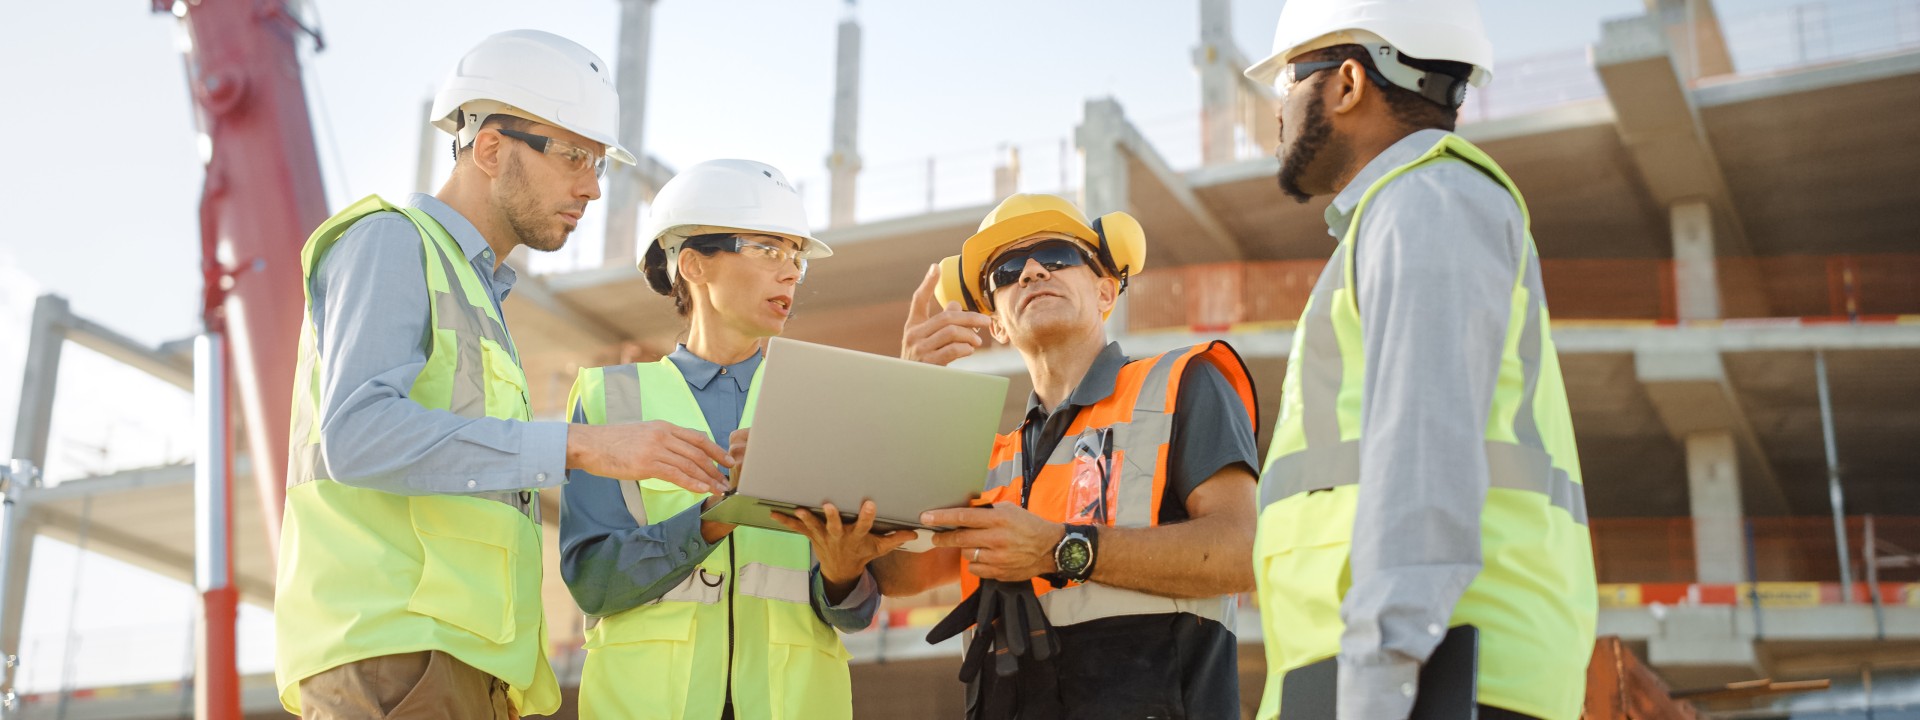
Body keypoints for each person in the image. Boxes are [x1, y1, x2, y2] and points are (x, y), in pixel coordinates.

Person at [273, 30, 736, 719]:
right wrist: (579, 447)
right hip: (396, 659)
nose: (592, 187)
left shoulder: (476, 291)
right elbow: (358, 435)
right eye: (576, 155)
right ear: (491, 148)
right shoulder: (392, 242)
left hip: (462, 667)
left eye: (600, 163)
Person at [1241, 1, 1598, 718]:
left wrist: (1377, 681)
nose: (1278, 112)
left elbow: (1423, 457)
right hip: (1400, 676)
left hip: (1430, 681)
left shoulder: (1425, 201)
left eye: (1289, 83)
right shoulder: (1402, 211)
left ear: (1346, 84)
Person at [880, 193, 1261, 719]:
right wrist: (906, 393)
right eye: (1007, 271)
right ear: (997, 326)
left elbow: (1244, 553)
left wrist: (1060, 550)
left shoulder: (1182, 384)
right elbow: (899, 576)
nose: (1033, 271)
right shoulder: (987, 457)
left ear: (1106, 290)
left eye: (1058, 256)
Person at [560, 159, 908, 720]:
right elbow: (593, 583)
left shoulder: (825, 401)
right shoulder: (611, 400)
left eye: (797, 257)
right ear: (694, 265)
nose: (791, 272)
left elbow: (854, 612)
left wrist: (844, 571)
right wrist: (715, 517)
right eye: (769, 249)